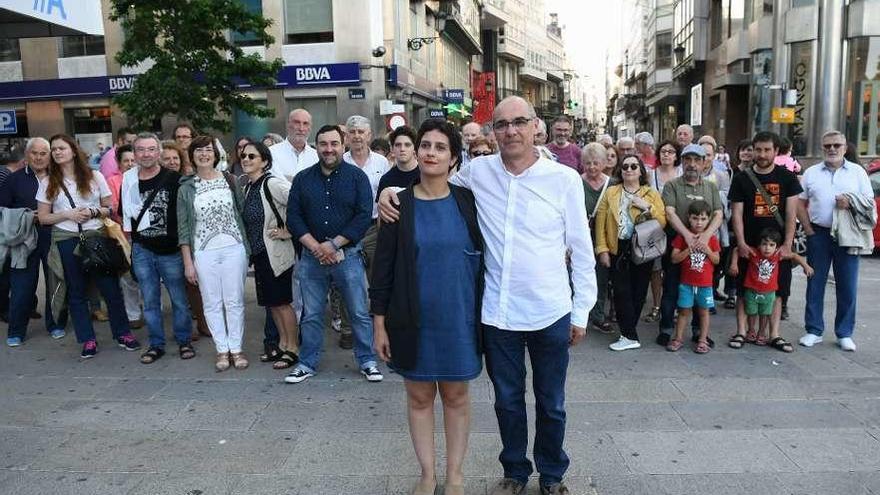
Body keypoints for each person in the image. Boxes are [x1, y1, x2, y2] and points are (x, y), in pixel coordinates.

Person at [379, 96, 597, 495]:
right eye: (501, 124)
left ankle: (552, 475)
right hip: (498, 312)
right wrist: (390, 191)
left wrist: (581, 311)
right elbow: (432, 180)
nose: (511, 131)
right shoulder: (478, 173)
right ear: (492, 132)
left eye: (519, 122)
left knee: (551, 401)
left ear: (535, 126)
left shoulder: (564, 179)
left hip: (550, 310)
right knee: (507, 401)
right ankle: (515, 472)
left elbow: (582, 251)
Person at [371, 119, 483, 495]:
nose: (430, 153)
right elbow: (383, 268)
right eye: (425, 145)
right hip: (411, 319)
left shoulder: (468, 201)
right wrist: (379, 324)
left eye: (440, 147)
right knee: (419, 398)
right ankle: (427, 474)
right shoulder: (397, 204)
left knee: (456, 397)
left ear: (454, 159)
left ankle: (455, 476)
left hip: (459, 319)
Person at [284, 124, 382, 384]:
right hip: (311, 257)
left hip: (348, 256)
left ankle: (367, 360)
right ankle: (307, 363)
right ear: (316, 146)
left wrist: (334, 245)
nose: (329, 149)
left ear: (343, 145)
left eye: (334, 144)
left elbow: (363, 216)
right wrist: (316, 247)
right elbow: (293, 217)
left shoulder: (357, 177)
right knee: (311, 314)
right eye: (323, 144)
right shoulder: (303, 178)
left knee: (358, 312)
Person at [36, 134, 141, 359]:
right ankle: (88, 339)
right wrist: (67, 214)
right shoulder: (47, 182)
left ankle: (123, 333)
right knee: (76, 291)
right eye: (54, 149)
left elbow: (109, 208)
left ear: (73, 151)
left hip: (96, 237)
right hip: (66, 239)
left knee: (110, 288)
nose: (57, 152)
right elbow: (43, 218)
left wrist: (92, 211)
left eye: (61, 148)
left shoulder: (95, 176)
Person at [797, 130, 874, 352]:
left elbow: (869, 202)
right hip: (819, 234)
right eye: (827, 145)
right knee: (815, 282)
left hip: (848, 235)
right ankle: (814, 330)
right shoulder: (812, 173)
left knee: (847, 285)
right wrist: (809, 230)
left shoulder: (857, 172)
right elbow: (799, 203)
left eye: (836, 145)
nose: (832, 149)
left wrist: (850, 202)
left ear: (845, 148)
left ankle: (844, 333)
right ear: (822, 148)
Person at [178, 135, 250, 371]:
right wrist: (188, 263)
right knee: (211, 302)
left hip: (234, 248)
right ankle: (222, 349)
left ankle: (236, 349)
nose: (204, 154)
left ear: (216, 154)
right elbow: (183, 229)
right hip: (204, 252)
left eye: (208, 150)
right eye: (198, 150)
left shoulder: (230, 180)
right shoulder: (186, 188)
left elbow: (242, 213)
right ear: (192, 156)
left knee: (234, 301)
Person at [121, 133, 193, 364]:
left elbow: (185, 215)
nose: (146, 154)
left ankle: (184, 340)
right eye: (141, 150)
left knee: (179, 299)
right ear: (134, 153)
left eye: (151, 149)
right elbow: (126, 215)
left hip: (171, 250)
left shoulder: (174, 179)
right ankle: (156, 344)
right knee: (150, 301)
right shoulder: (129, 180)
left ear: (159, 152)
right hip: (142, 249)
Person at [728, 132, 801, 353]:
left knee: (777, 291)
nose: (762, 154)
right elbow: (737, 214)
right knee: (743, 289)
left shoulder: (787, 178)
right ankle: (741, 331)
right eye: (758, 149)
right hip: (750, 246)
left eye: (767, 150)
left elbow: (791, 213)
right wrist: (741, 243)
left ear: (776, 151)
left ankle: (774, 334)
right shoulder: (741, 178)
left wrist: (787, 244)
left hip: (777, 247)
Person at [595, 154, 667, 351]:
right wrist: (602, 249)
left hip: (643, 247)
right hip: (618, 247)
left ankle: (628, 333)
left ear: (640, 171)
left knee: (638, 291)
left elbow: (662, 221)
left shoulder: (650, 193)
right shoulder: (611, 192)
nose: (629, 169)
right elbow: (600, 223)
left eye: (633, 166)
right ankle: (629, 335)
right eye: (625, 166)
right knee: (620, 292)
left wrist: (647, 207)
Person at [239, 140, 299, 370]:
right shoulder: (248, 187)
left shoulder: (271, 183)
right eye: (243, 156)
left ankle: (292, 348)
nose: (246, 159)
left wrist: (289, 231)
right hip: (260, 255)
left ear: (264, 162)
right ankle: (282, 345)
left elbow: (299, 202)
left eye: (252, 156)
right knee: (272, 304)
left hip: (276, 253)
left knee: (282, 302)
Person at [1, 138, 68, 346]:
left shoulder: (59, 177)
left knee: (55, 281)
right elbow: (2, 209)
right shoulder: (14, 179)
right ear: (27, 156)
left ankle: (56, 324)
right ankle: (16, 331)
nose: (39, 157)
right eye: (34, 153)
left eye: (43, 153)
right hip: (24, 239)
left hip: (54, 235)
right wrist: (27, 215)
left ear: (50, 155)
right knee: (22, 286)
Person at [657, 144, 723, 346]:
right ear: (682, 162)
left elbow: (718, 214)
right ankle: (667, 330)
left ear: (704, 163)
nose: (692, 164)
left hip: (704, 247)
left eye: (696, 160)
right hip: (678, 243)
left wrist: (705, 237)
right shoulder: (672, 186)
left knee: (700, 289)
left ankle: (698, 331)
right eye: (688, 160)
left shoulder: (710, 187)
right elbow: (669, 212)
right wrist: (687, 235)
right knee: (671, 289)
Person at [729, 227, 813, 346]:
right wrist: (734, 264)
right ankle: (751, 330)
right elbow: (737, 249)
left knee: (765, 314)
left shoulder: (777, 255)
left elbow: (795, 256)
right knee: (751, 312)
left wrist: (806, 266)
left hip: (769, 292)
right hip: (752, 290)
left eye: (771, 245)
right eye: (764, 244)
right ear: (759, 245)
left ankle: (761, 333)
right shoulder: (754, 253)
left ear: (776, 247)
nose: (767, 248)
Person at [667, 200, 720, 353]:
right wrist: (687, 250)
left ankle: (703, 340)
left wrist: (708, 250)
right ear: (689, 218)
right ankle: (678, 338)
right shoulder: (683, 237)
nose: (699, 222)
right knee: (683, 311)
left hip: (705, 284)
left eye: (703, 219)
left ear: (709, 219)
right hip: (686, 284)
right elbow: (674, 258)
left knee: (704, 312)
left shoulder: (712, 239)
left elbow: (716, 260)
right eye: (695, 218)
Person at [104, 144, 144, 330]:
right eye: (125, 161)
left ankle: (152, 309)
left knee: (148, 276)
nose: (130, 164)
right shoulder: (112, 181)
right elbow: (113, 208)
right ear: (118, 163)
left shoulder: (145, 176)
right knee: (128, 277)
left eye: (132, 160)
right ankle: (133, 313)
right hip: (123, 236)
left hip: (145, 235)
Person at [581, 143, 612, 334]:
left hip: (603, 238)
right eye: (587, 163)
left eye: (596, 163)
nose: (591, 167)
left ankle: (598, 315)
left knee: (601, 278)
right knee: (579, 277)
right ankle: (580, 315)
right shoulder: (576, 182)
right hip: (581, 238)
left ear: (604, 163)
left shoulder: (612, 184)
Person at [270, 109, 318, 183]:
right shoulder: (272, 153)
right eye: (297, 123)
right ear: (288, 125)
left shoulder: (317, 156)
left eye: (305, 123)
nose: (301, 128)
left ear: (310, 128)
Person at [377, 126, 420, 198]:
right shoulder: (386, 179)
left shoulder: (426, 176)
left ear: (414, 148)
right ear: (392, 149)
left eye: (407, 145)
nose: (402, 149)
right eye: (398, 145)